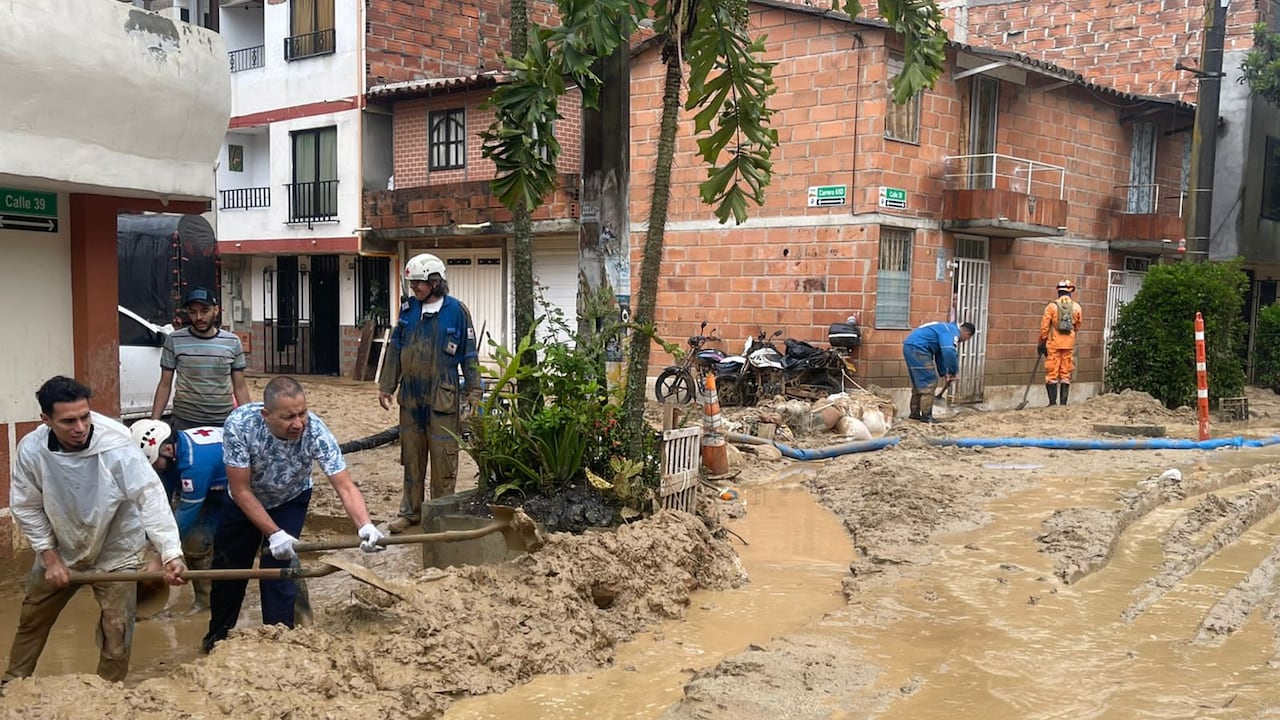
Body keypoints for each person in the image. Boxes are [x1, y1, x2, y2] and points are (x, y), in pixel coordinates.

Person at [4, 376, 186, 684]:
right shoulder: (32, 450)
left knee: (117, 629)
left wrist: (170, 553)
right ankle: (12, 683)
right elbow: (26, 506)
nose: (80, 427)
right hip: (61, 547)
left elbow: (149, 496)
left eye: (85, 416)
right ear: (46, 420)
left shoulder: (116, 443)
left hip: (116, 548)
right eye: (68, 421)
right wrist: (50, 558)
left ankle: (107, 694)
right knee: (32, 618)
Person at [203, 376, 383, 652]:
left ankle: (280, 643)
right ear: (267, 415)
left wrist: (365, 525)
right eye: (288, 417)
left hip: (290, 498)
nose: (298, 423)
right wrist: (273, 533)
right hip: (244, 502)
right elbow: (240, 490)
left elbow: (345, 486)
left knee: (279, 570)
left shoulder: (316, 431)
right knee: (229, 572)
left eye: (302, 413)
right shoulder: (240, 425)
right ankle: (216, 639)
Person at [377, 253, 482, 535]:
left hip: (443, 399)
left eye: (419, 284)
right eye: (412, 284)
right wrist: (387, 386)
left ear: (435, 282)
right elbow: (396, 349)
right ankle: (410, 513)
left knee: (443, 460)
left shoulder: (457, 312)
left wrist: (474, 392)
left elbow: (469, 355)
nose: (415, 289)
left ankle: (440, 515)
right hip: (410, 399)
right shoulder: (408, 310)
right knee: (411, 458)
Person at [131, 420, 227, 612]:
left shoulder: (195, 464)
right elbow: (160, 500)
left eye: (152, 463)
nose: (154, 468)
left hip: (239, 487)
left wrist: (160, 560)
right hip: (211, 485)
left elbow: (187, 513)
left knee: (196, 542)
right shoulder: (174, 452)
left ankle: (207, 602)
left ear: (167, 449)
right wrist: (147, 542)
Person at [151, 287, 250, 431]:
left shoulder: (232, 342)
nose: (199, 317)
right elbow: (165, 384)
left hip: (223, 422)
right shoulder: (174, 340)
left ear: (215, 310)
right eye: (193, 312)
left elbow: (240, 387)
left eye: (204, 311)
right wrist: (154, 423)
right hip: (184, 422)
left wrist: (249, 421)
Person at [901, 321, 976, 423]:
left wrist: (944, 372)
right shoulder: (952, 332)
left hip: (911, 346)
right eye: (967, 339)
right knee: (929, 382)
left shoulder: (946, 328)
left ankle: (915, 415)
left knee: (920, 384)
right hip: (918, 348)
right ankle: (926, 417)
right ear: (967, 334)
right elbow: (948, 351)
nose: (963, 341)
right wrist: (954, 371)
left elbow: (939, 354)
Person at [1038, 278, 1083, 406]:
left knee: (1052, 372)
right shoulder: (1077, 307)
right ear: (1070, 292)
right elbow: (1078, 326)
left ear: (1058, 291)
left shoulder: (1051, 306)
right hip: (1069, 343)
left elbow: (1044, 327)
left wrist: (1041, 341)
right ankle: (1063, 404)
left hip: (1053, 343)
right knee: (1065, 372)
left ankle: (1052, 403)